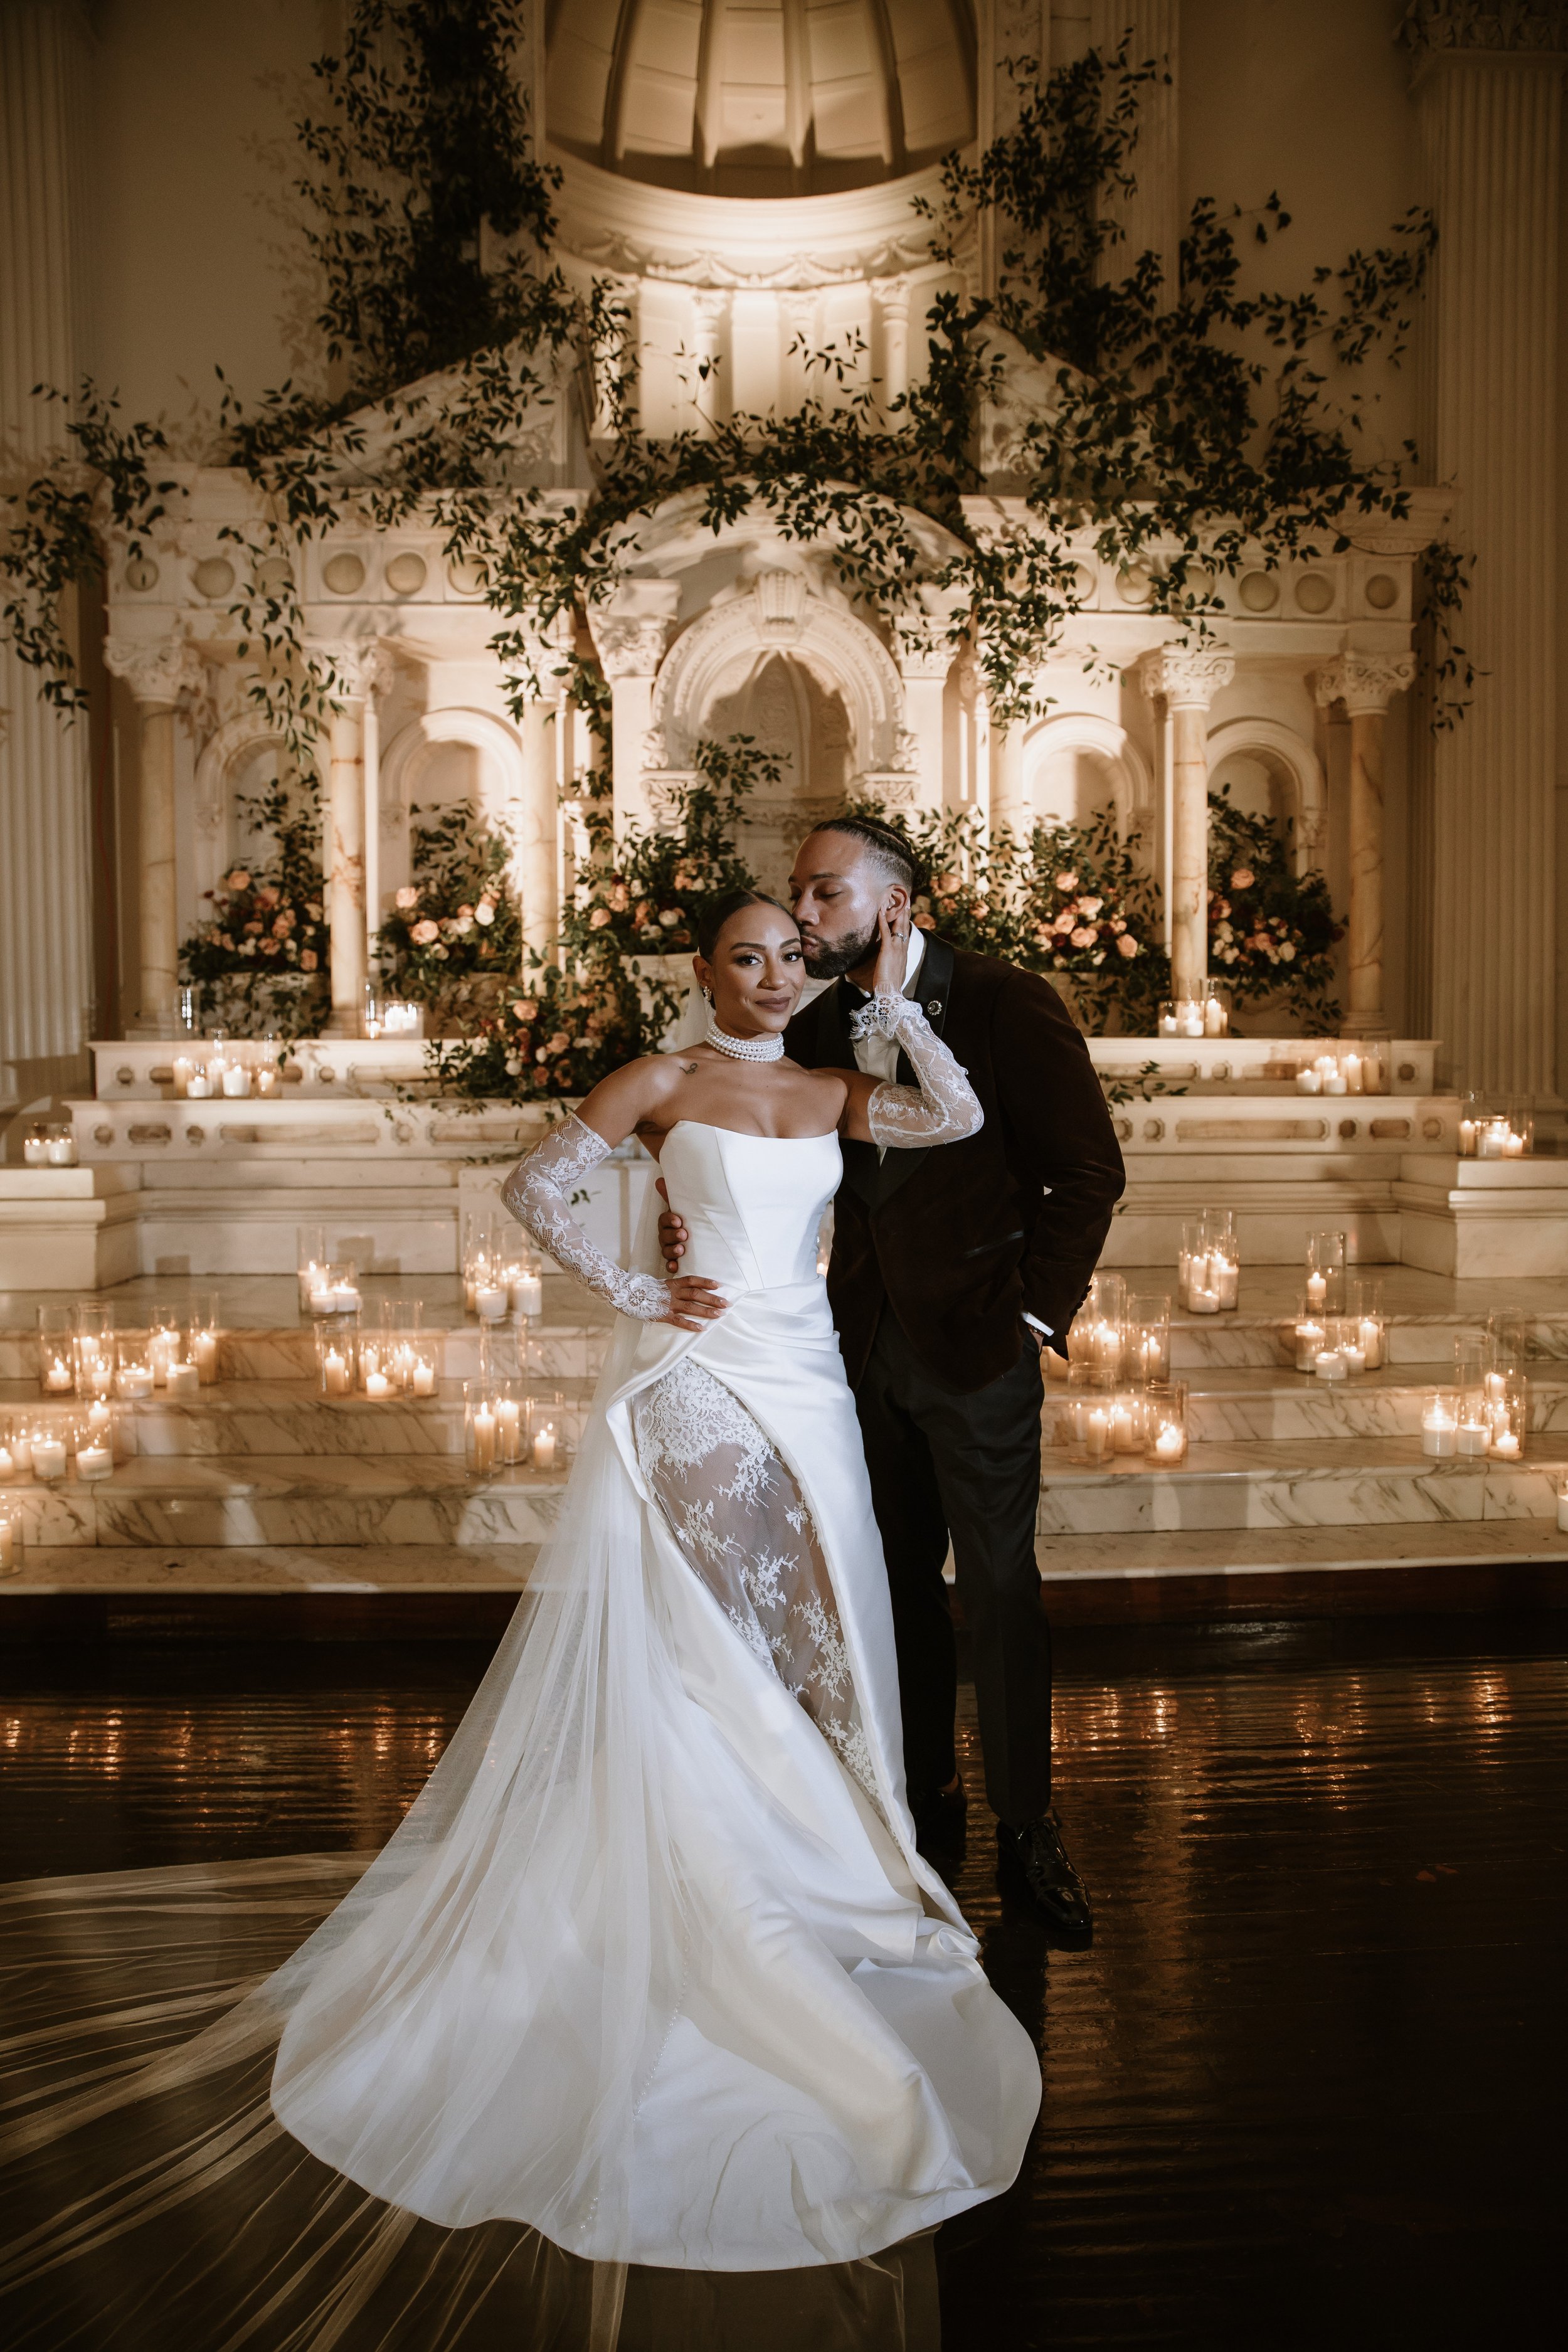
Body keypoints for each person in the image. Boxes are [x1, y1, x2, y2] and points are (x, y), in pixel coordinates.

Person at [261, 886, 1041, 2274]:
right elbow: (534, 1187)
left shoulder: (834, 1088)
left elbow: (959, 1118)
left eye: (791, 958)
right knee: (708, 1622)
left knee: (821, 1626)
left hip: (808, 1383)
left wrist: (897, 1007)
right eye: (747, 958)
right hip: (696, 1374)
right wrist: (637, 1292)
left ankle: (806, 1864)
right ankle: (711, 1876)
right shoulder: (663, 1079)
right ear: (704, 969)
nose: (773, 977)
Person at [660, 820, 1126, 1935]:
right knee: (894, 1585)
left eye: (826, 893)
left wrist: (1029, 1317)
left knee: (1001, 1588)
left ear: (897, 904)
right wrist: (680, 1225)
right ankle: (925, 1800)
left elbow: (1087, 1171)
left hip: (980, 1350)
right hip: (853, 1356)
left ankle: (1027, 1825)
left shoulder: (1006, 1002)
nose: (803, 914)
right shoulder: (813, 1023)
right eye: (798, 892)